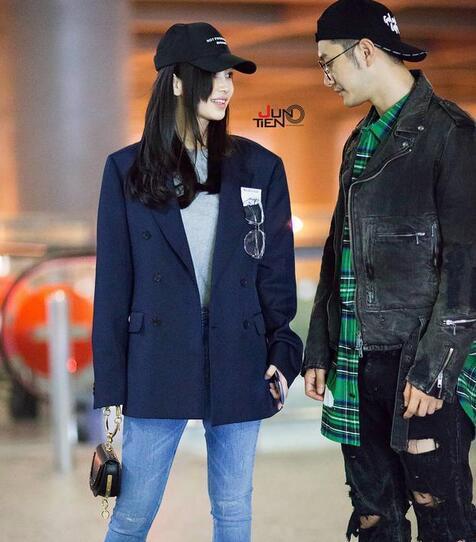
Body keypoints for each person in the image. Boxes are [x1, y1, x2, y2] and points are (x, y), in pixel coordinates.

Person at [92, 22, 303, 542]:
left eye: (230, 75)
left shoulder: (261, 168)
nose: (226, 86)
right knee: (132, 515)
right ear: (177, 82)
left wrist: (283, 353)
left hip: (240, 356)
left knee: (233, 509)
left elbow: (275, 272)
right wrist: (112, 385)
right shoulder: (126, 171)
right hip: (156, 359)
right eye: (213, 74)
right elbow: (113, 286)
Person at [302, 1, 476, 540]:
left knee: (441, 515)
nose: (326, 77)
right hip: (357, 362)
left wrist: (434, 370)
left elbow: (467, 265)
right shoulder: (360, 140)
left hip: (419, 366)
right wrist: (320, 347)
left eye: (328, 62)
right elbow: (338, 251)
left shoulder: (451, 134)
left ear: (365, 51)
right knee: (373, 517)